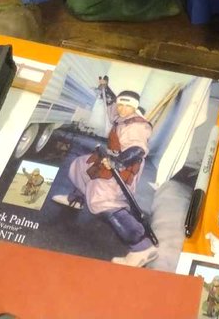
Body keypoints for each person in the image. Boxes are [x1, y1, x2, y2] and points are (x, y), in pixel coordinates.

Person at [53, 82, 158, 268]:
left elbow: (137, 150)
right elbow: (111, 102)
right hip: (110, 157)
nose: (122, 108)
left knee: (104, 200)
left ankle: (142, 247)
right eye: (120, 104)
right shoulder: (121, 114)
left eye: (127, 106)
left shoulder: (137, 126)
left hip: (125, 165)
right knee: (82, 166)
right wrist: (105, 88)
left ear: (135, 107)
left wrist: (118, 162)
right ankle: (77, 199)